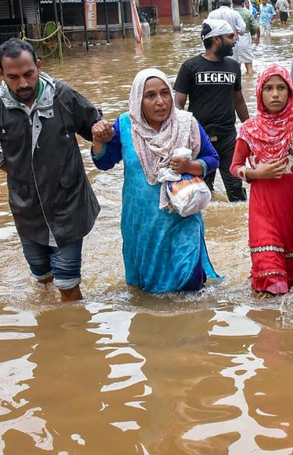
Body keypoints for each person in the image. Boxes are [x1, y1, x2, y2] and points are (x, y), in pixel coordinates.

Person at [0, 38, 109, 302]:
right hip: (26, 208)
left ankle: (74, 335)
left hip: (68, 203)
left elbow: (94, 124)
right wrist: (12, 168)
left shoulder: (63, 96)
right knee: (42, 277)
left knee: (68, 283)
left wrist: (102, 130)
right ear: (0, 74)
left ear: (39, 67)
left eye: (28, 74)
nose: (23, 84)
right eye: (13, 77)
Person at [92, 68, 221, 293]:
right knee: (150, 291)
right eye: (150, 96)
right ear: (137, 100)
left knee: (190, 283)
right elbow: (104, 163)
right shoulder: (125, 126)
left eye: (165, 93)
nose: (160, 102)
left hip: (182, 217)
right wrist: (98, 141)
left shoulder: (186, 123)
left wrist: (189, 166)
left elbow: (212, 158)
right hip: (142, 222)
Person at [230, 64, 293, 297]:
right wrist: (256, 174)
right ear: (259, 93)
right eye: (268, 88)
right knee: (272, 282)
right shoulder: (249, 130)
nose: (275, 94)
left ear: (290, 93)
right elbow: (234, 167)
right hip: (263, 212)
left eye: (281, 88)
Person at [174, 19, 250, 202]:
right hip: (200, 140)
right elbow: (178, 105)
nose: (234, 40)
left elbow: (239, 101)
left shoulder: (233, 66)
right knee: (200, 193)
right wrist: (177, 136)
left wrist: (250, 129)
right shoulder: (190, 67)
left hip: (228, 138)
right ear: (216, 39)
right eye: (230, 36)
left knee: (236, 193)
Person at [232, 0, 259, 76]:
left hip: (232, 39)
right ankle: (250, 83)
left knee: (236, 64)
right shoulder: (247, 13)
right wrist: (258, 38)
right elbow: (256, 27)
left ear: (233, 4)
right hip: (246, 39)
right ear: (243, 4)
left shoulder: (230, 13)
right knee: (248, 64)